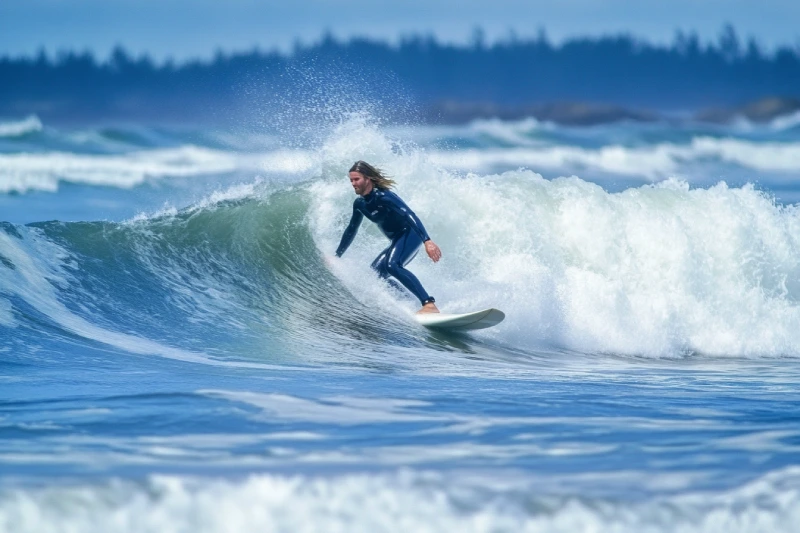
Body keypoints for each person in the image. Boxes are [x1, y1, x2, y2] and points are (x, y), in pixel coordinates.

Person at [335, 161, 442, 314]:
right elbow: (351, 229)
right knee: (375, 275)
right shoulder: (360, 204)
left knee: (393, 265)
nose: (353, 183)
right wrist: (337, 256)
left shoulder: (385, 197)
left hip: (410, 234)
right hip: (397, 239)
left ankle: (429, 304)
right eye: (351, 180)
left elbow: (409, 214)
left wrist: (427, 240)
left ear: (368, 179)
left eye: (356, 179)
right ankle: (410, 302)